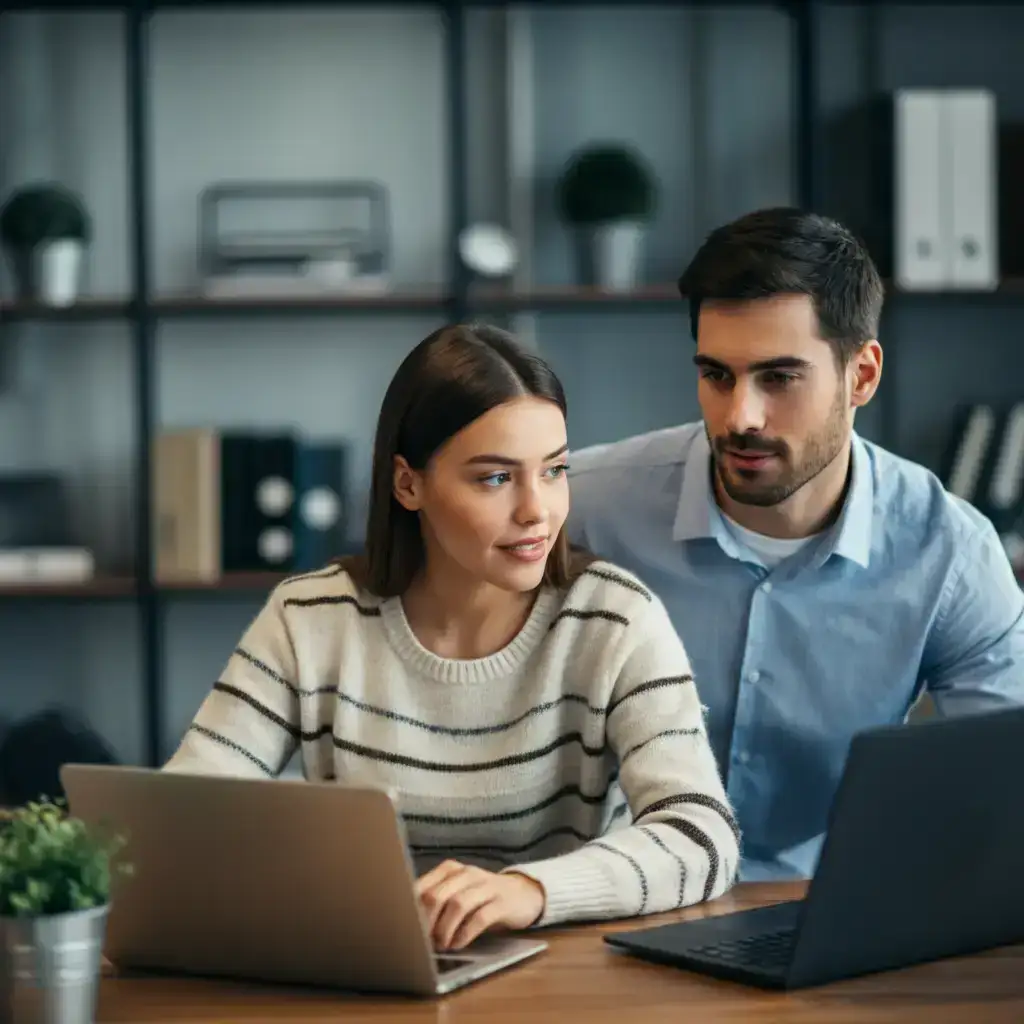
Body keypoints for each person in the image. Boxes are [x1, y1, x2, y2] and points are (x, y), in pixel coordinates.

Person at [164, 323, 740, 950]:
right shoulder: (310, 617)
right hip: (363, 969)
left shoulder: (614, 618)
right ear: (408, 483)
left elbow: (700, 836)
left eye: (553, 471)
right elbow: (183, 814)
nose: (537, 511)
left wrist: (529, 891)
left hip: (558, 977)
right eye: (495, 478)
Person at [565, 206, 1024, 882]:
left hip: (816, 916)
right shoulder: (585, 506)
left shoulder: (949, 555)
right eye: (717, 375)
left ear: (861, 375)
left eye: (778, 378)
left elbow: (1004, 794)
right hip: (608, 901)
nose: (739, 416)